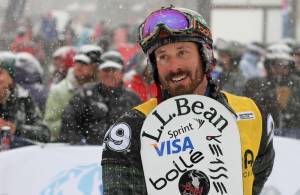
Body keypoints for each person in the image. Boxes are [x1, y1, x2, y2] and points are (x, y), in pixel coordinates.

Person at [101, 6, 275, 195]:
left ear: (205, 55)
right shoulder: (132, 128)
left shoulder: (252, 114)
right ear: (154, 66)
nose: (174, 67)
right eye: (163, 57)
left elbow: (254, 182)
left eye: (182, 52)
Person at [60, 51, 141, 145]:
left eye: (114, 70)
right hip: (86, 154)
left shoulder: (133, 99)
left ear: (122, 73)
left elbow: (140, 129)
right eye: (106, 70)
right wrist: (79, 142)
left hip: (123, 155)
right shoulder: (85, 94)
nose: (110, 74)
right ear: (98, 73)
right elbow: (68, 121)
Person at [44, 44, 102, 142]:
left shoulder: (101, 90)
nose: (80, 67)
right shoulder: (59, 91)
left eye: (85, 64)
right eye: (78, 62)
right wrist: (75, 126)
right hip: (65, 148)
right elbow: (49, 126)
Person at [244, 43, 300, 138]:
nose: (281, 69)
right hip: (265, 132)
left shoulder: (297, 83)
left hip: (293, 134)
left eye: (285, 65)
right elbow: (250, 107)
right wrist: (273, 96)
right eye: (277, 64)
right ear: (268, 64)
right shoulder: (255, 83)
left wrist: (290, 103)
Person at [0, 52, 50, 148]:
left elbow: (44, 134)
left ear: (11, 77)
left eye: (0, 72)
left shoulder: (23, 99)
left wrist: (16, 129)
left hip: (17, 159)